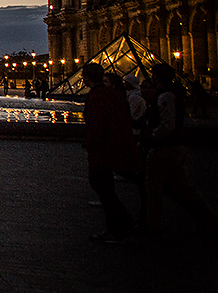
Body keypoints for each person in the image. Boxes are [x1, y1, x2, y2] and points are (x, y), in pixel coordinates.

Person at [143, 63, 218, 237]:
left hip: (163, 149)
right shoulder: (175, 92)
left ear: (158, 77)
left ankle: (152, 226)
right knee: (185, 189)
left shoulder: (166, 95)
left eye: (153, 75)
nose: (152, 77)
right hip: (175, 147)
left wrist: (151, 137)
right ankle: (211, 219)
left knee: (153, 188)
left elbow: (168, 124)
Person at [81, 63, 142, 243]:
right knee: (106, 187)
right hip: (117, 144)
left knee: (101, 186)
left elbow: (96, 124)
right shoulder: (115, 93)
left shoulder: (96, 96)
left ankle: (118, 227)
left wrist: (91, 143)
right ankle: (124, 223)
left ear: (87, 77)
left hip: (102, 149)